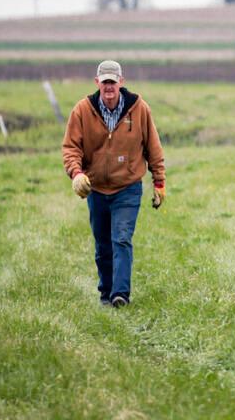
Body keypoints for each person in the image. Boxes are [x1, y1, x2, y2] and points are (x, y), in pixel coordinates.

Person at [62, 60, 166, 308]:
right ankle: (106, 293)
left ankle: (120, 295)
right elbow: (71, 148)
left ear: (121, 82)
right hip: (96, 189)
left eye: (113, 82)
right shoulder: (82, 111)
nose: (109, 87)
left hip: (128, 187)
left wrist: (159, 181)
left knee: (121, 238)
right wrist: (76, 173)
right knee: (103, 245)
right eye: (104, 82)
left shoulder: (139, 109)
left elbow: (153, 147)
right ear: (97, 83)